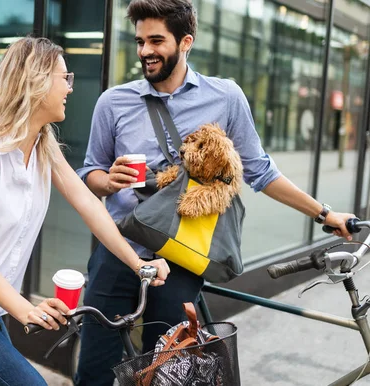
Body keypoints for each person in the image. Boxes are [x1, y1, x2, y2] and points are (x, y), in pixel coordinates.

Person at [74, 1, 357, 385]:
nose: (144, 51)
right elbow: (89, 171)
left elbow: (260, 171)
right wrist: (105, 182)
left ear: (185, 41)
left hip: (183, 255)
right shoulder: (114, 102)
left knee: (169, 373)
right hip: (118, 249)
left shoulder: (225, 97)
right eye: (140, 41)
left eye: (156, 40)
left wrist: (324, 214)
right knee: (94, 368)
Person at [0, 36, 169, 386]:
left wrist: (138, 263)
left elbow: (88, 204)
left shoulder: (42, 144)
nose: (70, 88)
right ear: (36, 83)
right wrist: (27, 309)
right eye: (64, 79)